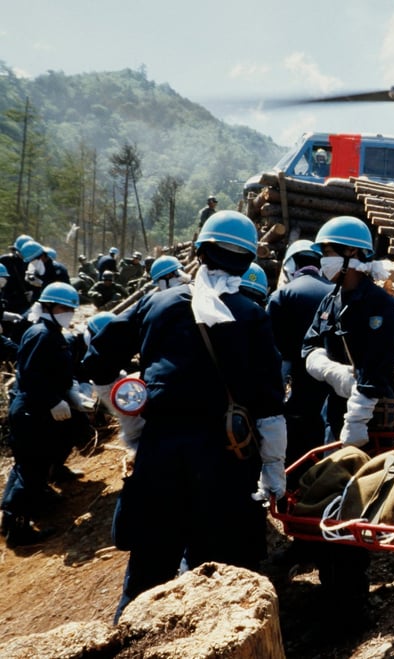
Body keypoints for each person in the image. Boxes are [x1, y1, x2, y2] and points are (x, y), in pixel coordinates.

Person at [81, 210, 286, 622]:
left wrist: (123, 405)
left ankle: (126, 641)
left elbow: (98, 357)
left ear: (198, 251)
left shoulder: (158, 303)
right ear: (248, 262)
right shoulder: (251, 315)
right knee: (218, 575)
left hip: (161, 458)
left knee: (148, 571)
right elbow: (269, 404)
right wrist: (274, 470)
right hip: (226, 461)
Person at [300, 216, 394, 624]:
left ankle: (352, 599)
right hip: (335, 412)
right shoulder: (330, 299)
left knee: (357, 498)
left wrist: (357, 418)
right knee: (334, 496)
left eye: (329, 253)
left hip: (369, 417)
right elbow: (309, 343)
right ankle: (335, 585)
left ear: (355, 256)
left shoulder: (381, 304)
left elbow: (378, 368)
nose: (323, 260)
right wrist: (325, 367)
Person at [1, 283, 87, 547]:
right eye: (65, 308)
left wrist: (69, 391)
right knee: (30, 468)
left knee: (31, 464)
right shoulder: (41, 334)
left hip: (36, 408)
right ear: (49, 307)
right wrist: (52, 400)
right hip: (32, 410)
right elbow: (30, 375)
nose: (69, 312)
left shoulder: (50, 332)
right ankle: (18, 529)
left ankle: (14, 517)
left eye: (71, 308)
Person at [267, 239, 334, 482]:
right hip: (332, 390)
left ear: (291, 264)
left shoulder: (282, 294)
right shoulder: (335, 292)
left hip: (296, 393)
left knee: (294, 456)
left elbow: (272, 353)